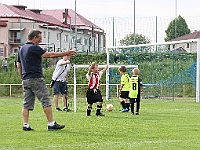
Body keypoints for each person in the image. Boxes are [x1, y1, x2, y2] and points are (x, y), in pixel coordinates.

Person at [17, 29, 76, 131]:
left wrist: (22, 78)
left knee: (27, 103)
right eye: (40, 38)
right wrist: (66, 53)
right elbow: (49, 55)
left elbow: (19, 65)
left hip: (26, 79)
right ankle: (51, 124)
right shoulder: (33, 48)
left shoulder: (21, 49)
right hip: (36, 78)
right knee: (46, 100)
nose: (41, 40)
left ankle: (25, 125)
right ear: (35, 38)